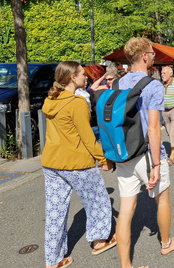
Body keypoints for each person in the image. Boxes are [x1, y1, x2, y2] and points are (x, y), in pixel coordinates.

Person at [41, 61, 116, 268]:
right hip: (76, 162)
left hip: (51, 162)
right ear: (72, 78)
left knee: (55, 212)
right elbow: (87, 137)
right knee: (98, 200)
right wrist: (103, 160)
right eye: (83, 74)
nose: (86, 77)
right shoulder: (76, 103)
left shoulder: (51, 100)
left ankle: (53, 260)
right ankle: (100, 240)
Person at [116, 37, 174, 268]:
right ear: (144, 56)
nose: (154, 57)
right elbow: (154, 128)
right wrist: (156, 164)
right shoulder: (152, 85)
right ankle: (166, 243)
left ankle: (126, 265)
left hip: (124, 153)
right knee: (162, 199)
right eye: (152, 53)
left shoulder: (117, 84)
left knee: (125, 210)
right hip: (147, 153)